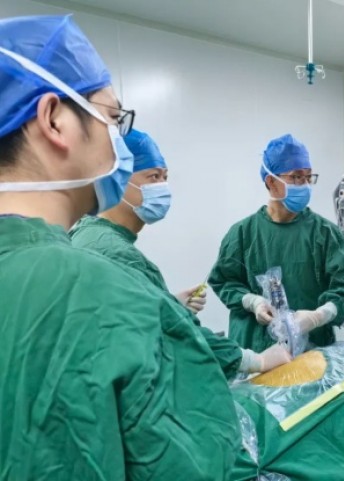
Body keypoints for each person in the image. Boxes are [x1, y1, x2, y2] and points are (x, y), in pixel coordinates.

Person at [0, 15, 238, 478]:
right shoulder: (98, 291)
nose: (119, 140)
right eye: (113, 118)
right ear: (54, 119)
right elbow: (199, 461)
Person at [70, 129, 291, 376]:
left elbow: (129, 318)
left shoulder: (92, 236)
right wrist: (254, 360)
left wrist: (170, 303)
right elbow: (178, 333)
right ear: (116, 179)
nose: (163, 187)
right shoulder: (114, 253)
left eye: (165, 177)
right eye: (153, 176)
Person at [210, 134, 344, 352]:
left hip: (312, 351)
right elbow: (224, 282)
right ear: (271, 181)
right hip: (255, 351)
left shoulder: (326, 234)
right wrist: (253, 302)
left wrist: (318, 316)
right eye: (296, 177)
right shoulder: (242, 234)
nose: (305, 184)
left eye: (309, 177)